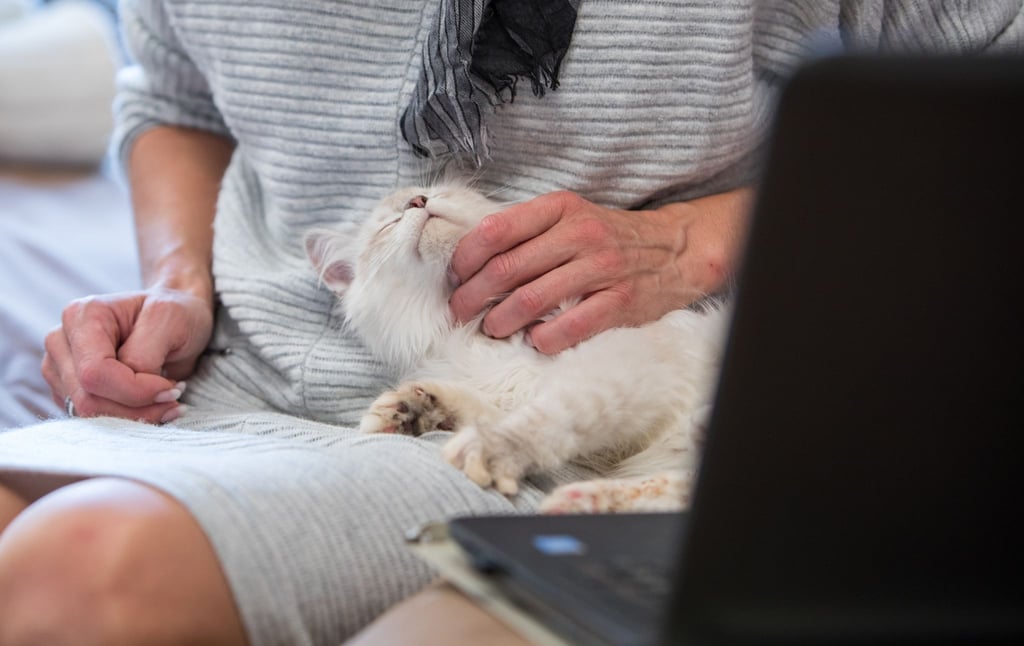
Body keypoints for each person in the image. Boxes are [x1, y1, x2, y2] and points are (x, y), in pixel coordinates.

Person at [0, 1, 1020, 643]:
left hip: (536, 425)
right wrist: (176, 284)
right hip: (230, 378)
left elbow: (987, 120)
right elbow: (173, 99)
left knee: (79, 575)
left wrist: (695, 243)